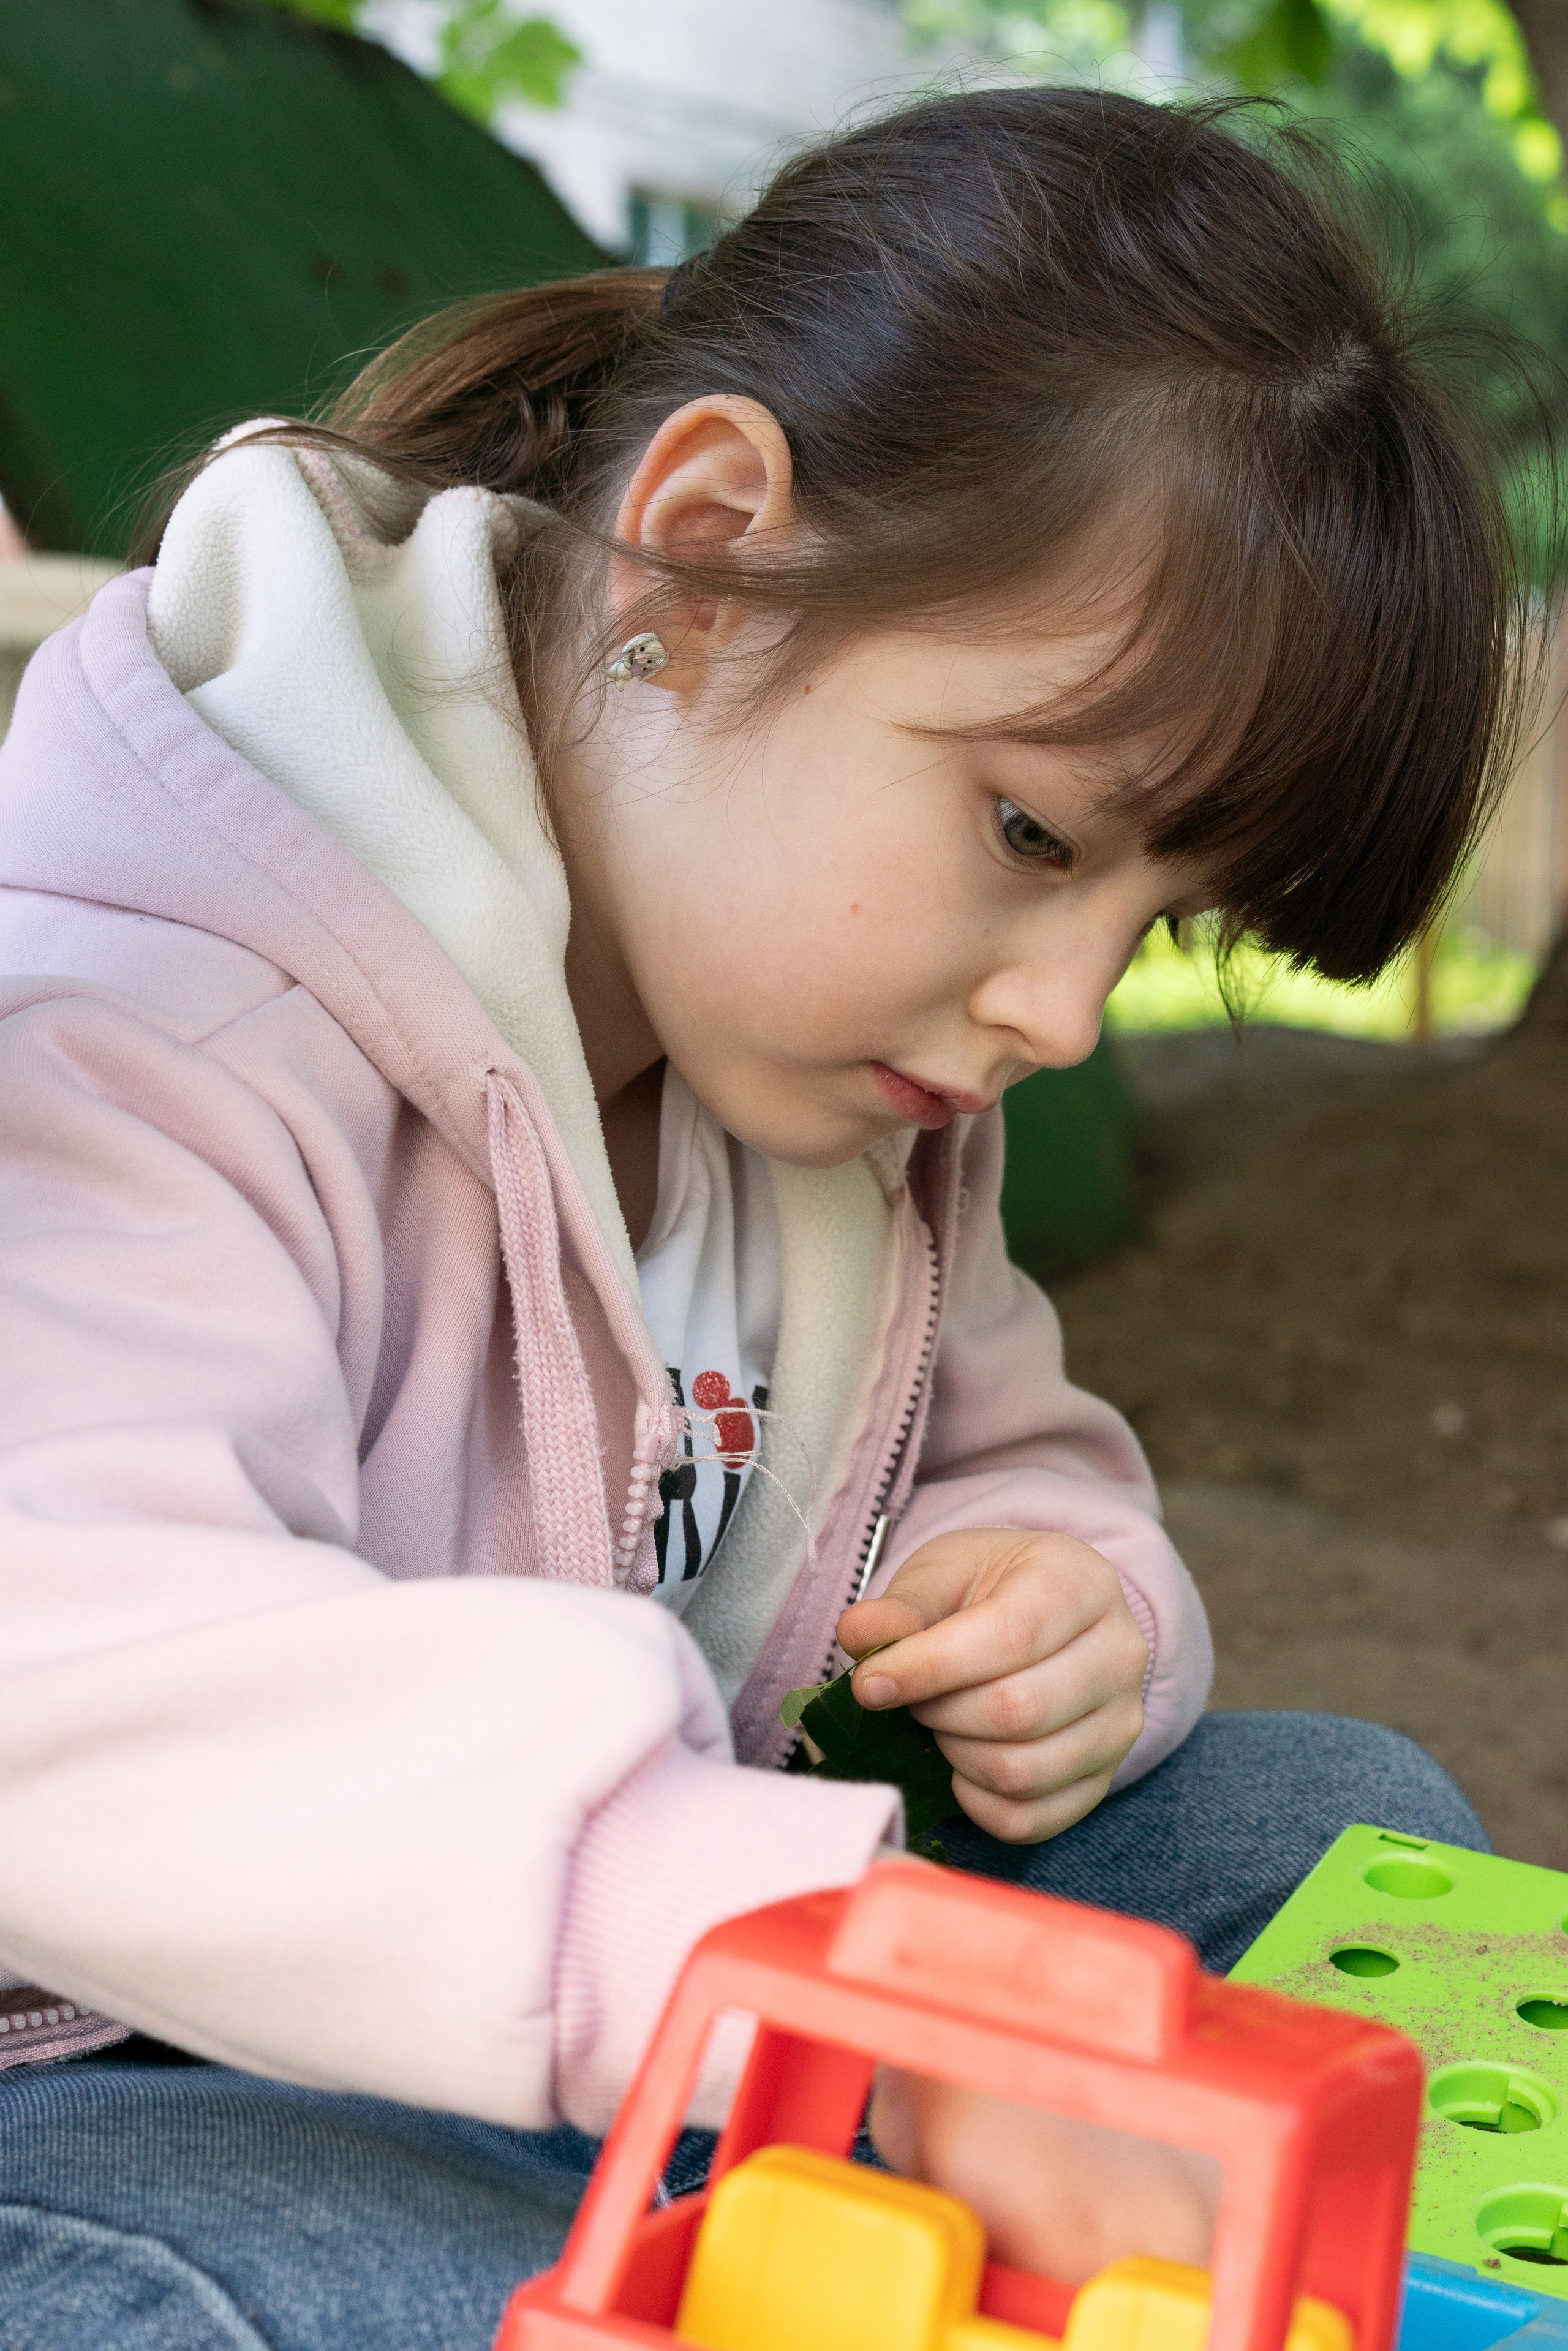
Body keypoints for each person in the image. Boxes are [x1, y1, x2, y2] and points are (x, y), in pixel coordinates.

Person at [0, 83, 1518, 2351]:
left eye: (1158, 924)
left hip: (675, 1955)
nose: (1069, 1006)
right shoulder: (139, 1015)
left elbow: (989, 1457)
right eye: (1033, 835)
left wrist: (1075, 1603)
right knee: (393, 2298)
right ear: (701, 563)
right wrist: (834, 1986)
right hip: (124, 2057)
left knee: (1335, 1828)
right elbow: (65, 1670)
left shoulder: (834, 1070)